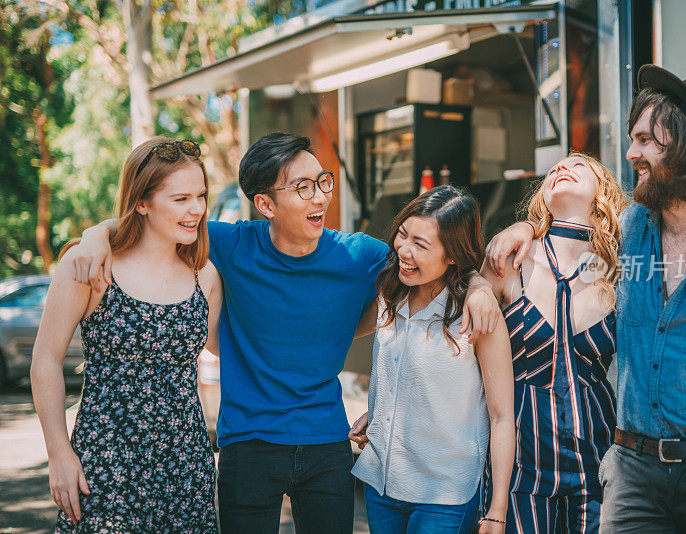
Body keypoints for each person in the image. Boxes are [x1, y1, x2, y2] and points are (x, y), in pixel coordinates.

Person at [69, 132, 500, 533]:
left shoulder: (359, 255)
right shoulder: (228, 244)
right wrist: (95, 235)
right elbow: (153, 222)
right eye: (303, 187)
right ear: (265, 204)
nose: (321, 197)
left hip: (327, 441)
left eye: (322, 182)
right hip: (248, 443)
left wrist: (479, 285)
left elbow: (436, 259)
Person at [485, 65, 686, 533]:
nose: (631, 152)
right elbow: (561, 230)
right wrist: (523, 228)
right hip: (631, 473)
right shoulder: (625, 232)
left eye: (647, 140)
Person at [31, 138, 222, 532]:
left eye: (201, 196)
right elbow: (45, 360)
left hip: (185, 464)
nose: (197, 209)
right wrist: (59, 453)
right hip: (104, 460)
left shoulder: (206, 275)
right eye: (181, 198)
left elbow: (233, 353)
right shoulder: (89, 264)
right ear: (142, 202)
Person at [347, 186, 515, 533]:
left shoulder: (477, 313)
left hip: (444, 494)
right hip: (381, 483)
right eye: (403, 235)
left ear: (452, 255)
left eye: (421, 245)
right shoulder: (390, 293)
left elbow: (501, 417)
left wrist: (497, 509)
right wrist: (381, 414)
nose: (404, 251)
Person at [479, 153, 627, 533]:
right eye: (556, 167)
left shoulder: (618, 269)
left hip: (598, 458)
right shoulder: (508, 262)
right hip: (519, 462)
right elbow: (461, 352)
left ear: (602, 193)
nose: (563, 167)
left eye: (580, 166)